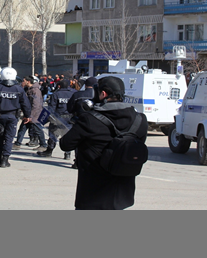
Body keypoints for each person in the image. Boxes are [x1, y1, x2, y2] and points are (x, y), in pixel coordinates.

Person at [60, 76, 148, 210]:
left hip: (93, 193)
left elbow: (65, 144)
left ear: (103, 94)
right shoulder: (140, 119)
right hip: (122, 194)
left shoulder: (89, 119)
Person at [0, 67, 31, 168]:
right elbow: (25, 104)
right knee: (9, 138)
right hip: (12, 116)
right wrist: (27, 115)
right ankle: (5, 160)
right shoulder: (19, 89)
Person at [38, 80, 77, 159]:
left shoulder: (56, 94)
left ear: (59, 86)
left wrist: (46, 118)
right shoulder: (73, 94)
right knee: (67, 135)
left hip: (58, 117)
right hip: (69, 118)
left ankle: (49, 151)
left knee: (53, 135)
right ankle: (67, 153)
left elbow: (51, 108)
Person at [14, 75, 47, 151]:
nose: (22, 82)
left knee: (38, 129)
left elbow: (36, 104)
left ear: (28, 82)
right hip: (29, 114)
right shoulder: (30, 89)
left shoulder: (35, 91)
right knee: (22, 128)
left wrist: (31, 116)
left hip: (34, 115)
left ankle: (43, 145)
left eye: (23, 81)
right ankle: (17, 143)